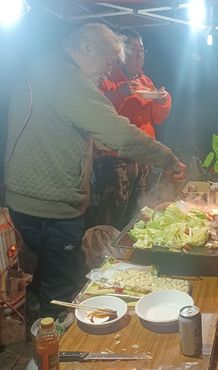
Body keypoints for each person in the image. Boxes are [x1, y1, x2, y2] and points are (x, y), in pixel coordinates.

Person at [4, 23, 185, 327]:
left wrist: (90, 146)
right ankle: (54, 347)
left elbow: (53, 127)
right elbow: (120, 134)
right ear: (87, 48)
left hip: (24, 201)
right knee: (60, 289)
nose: (108, 71)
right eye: (108, 61)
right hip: (52, 207)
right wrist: (168, 159)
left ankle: (36, 339)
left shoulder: (43, 67)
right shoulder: (69, 80)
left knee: (41, 279)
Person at [93, 29, 172, 228]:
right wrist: (118, 94)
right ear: (120, 52)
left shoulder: (145, 81)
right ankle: (110, 245)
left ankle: (137, 243)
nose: (138, 55)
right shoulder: (107, 79)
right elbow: (96, 111)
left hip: (143, 156)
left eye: (141, 50)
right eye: (133, 50)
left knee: (141, 208)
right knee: (114, 211)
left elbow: (158, 118)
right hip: (116, 158)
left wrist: (163, 100)